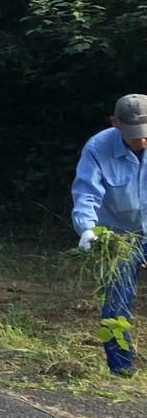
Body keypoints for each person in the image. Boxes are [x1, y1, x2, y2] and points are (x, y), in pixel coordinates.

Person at [72, 94, 147, 376]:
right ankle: (122, 372)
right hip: (117, 236)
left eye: (145, 136)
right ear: (115, 123)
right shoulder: (97, 148)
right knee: (115, 307)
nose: (141, 142)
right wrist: (88, 229)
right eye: (133, 136)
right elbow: (87, 194)